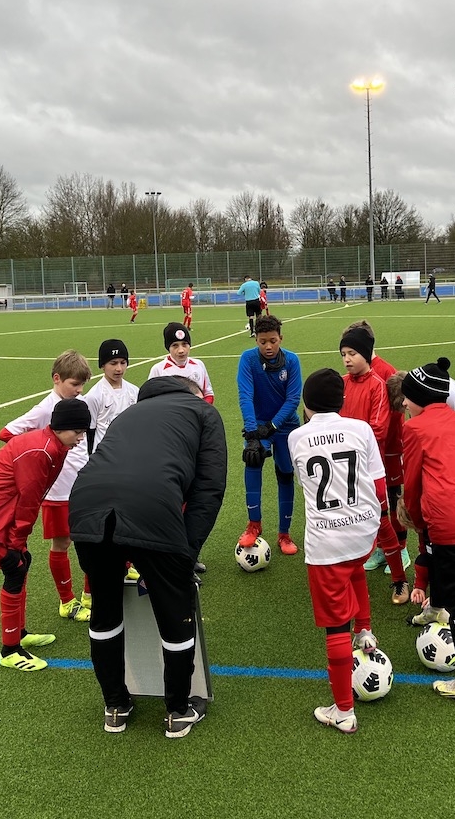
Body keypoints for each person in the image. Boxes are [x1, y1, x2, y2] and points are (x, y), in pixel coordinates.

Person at [68, 375, 227, 738]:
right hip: (151, 505)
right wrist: (186, 553)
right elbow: (209, 489)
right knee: (174, 609)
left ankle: (115, 706)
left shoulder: (129, 412)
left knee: (105, 606)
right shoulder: (203, 412)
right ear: (194, 393)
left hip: (86, 504)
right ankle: (178, 710)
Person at [0, 396, 91, 671]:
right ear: (60, 427)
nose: (80, 438)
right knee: (15, 568)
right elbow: (30, 500)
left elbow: (32, 497)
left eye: (83, 432)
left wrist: (19, 542)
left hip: (2, 509)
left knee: (22, 563)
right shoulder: (41, 451)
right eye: (77, 431)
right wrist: (16, 542)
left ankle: (19, 633)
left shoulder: (57, 445)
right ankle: (9, 650)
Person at [289, 368, 388, 734]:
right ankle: (365, 630)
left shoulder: (296, 437)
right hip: (365, 531)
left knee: (334, 625)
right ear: (342, 401)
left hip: (326, 541)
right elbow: (379, 486)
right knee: (356, 568)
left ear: (306, 403)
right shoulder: (361, 429)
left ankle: (344, 710)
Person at [397, 358, 455, 705]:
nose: (404, 403)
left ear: (420, 397)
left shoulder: (415, 429)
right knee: (440, 562)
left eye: (407, 397)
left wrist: (415, 517)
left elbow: (412, 482)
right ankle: (435, 606)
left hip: (446, 517)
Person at [0, 350, 95, 621]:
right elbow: (7, 432)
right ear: (57, 379)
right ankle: (67, 601)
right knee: (62, 543)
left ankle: (90, 595)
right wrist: (38, 455)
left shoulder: (80, 403)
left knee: (91, 539)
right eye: (74, 384)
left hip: (84, 484)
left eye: (82, 384)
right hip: (59, 490)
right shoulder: (46, 409)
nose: (79, 390)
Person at [338, 325, 409, 602]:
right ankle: (360, 563)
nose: (347, 359)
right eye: (343, 354)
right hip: (346, 464)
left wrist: (346, 441)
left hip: (374, 462)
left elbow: (379, 427)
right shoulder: (342, 382)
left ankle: (400, 566)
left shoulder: (380, 380)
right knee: (353, 516)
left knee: (384, 513)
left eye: (352, 353)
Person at [236, 314, 303, 555]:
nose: (268, 346)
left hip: (285, 426)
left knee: (285, 473)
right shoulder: (248, 359)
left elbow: (293, 399)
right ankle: (254, 524)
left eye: (273, 341)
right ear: (256, 340)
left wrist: (273, 426)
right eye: (263, 341)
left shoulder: (292, 361)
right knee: (252, 460)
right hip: (258, 425)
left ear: (280, 339)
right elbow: (245, 395)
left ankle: (284, 534)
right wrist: (252, 432)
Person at [83, 339, 139, 454]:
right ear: (103, 365)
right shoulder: (94, 396)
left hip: (129, 452)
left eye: (123, 362)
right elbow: (89, 432)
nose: (119, 369)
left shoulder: (134, 391)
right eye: (113, 363)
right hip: (105, 455)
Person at [149, 323, 214, 404]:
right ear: (168, 347)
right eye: (175, 345)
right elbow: (150, 398)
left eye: (184, 344)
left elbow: (208, 394)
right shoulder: (158, 369)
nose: (181, 350)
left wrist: (202, 408)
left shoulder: (199, 365)